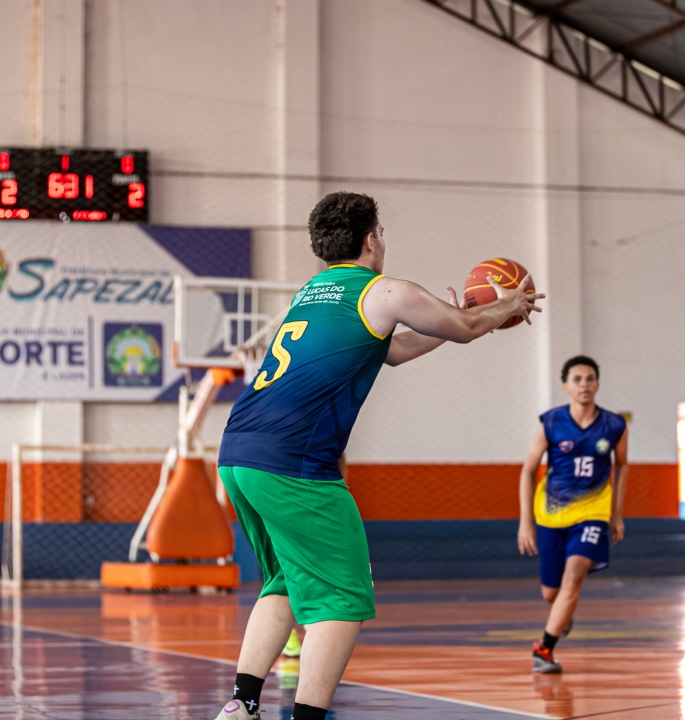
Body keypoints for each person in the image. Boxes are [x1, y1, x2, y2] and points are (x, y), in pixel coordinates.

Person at [213, 192, 545, 720]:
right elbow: (463, 329)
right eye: (382, 233)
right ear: (371, 239)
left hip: (239, 452)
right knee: (341, 599)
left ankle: (242, 705)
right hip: (293, 463)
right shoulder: (386, 291)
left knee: (284, 582)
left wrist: (464, 317)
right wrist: (506, 304)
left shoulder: (311, 294)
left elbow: (394, 349)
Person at [517, 355, 628, 674]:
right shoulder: (551, 422)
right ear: (566, 386)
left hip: (593, 512)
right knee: (551, 592)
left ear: (598, 384)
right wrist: (525, 522)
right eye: (577, 379)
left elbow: (621, 467)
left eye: (590, 378)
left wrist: (616, 514)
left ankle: (543, 649)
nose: (584, 384)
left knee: (573, 575)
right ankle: (562, 614)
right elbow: (527, 471)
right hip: (551, 514)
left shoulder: (614, 425)